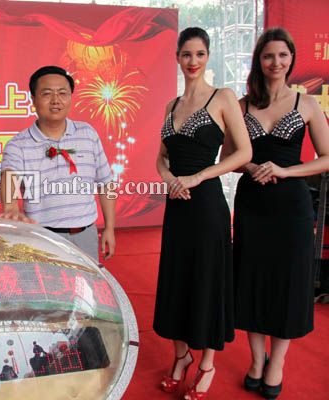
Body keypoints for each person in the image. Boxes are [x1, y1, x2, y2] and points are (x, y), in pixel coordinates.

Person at [230, 28, 329, 399]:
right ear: (259, 60)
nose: (276, 62)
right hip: (253, 205)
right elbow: (228, 158)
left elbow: (327, 158)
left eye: (283, 55)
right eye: (269, 55)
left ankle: (278, 362)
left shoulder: (307, 104)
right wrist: (251, 166)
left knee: (287, 284)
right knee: (252, 280)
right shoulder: (242, 105)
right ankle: (257, 359)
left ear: (292, 59)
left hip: (292, 207)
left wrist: (287, 170)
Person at [153, 27, 252, 399]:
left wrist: (198, 177)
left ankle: (207, 363)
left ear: (207, 56)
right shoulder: (171, 105)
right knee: (176, 279)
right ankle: (181, 356)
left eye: (199, 54)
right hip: (177, 206)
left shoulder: (222, 97)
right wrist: (170, 180)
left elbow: (243, 153)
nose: (192, 61)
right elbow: (160, 159)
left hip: (207, 204)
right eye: (186, 54)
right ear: (177, 58)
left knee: (208, 280)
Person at [0, 65, 116, 262]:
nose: (56, 100)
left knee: (85, 282)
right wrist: (10, 208)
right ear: (33, 99)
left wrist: (110, 228)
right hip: (42, 238)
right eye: (47, 94)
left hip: (86, 234)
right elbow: (9, 175)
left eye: (63, 93)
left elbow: (106, 183)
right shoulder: (18, 145)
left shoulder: (87, 134)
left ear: (70, 97)